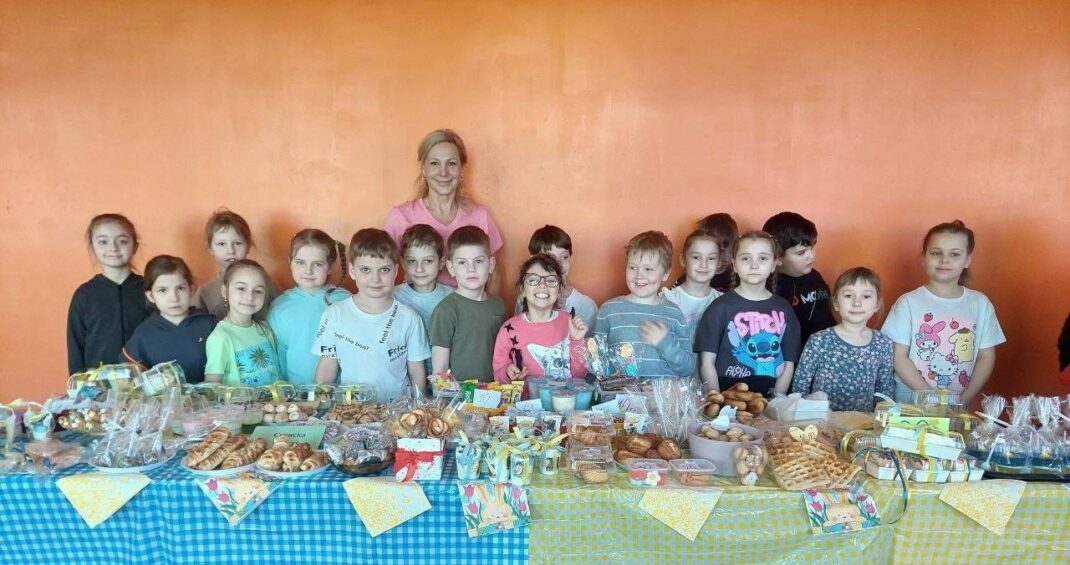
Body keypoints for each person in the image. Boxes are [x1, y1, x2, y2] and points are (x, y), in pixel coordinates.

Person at [881, 220, 1005, 405]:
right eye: (936, 253)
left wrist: (963, 400)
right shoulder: (908, 303)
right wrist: (931, 397)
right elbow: (898, 357)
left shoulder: (980, 304)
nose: (944, 260)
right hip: (910, 404)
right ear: (924, 258)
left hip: (957, 405)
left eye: (954, 254)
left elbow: (986, 357)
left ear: (967, 260)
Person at [313, 229, 430, 402]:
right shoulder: (334, 315)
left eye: (384, 270)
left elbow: (416, 369)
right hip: (351, 410)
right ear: (352, 271)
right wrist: (319, 403)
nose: (375, 279)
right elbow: (327, 367)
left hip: (397, 410)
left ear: (396, 271)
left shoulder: (409, 318)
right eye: (366, 269)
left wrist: (420, 405)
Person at [384, 129, 503, 290]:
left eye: (451, 163)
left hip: (467, 305)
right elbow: (382, 269)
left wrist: (490, 306)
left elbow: (494, 275)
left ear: (462, 171)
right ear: (424, 170)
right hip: (416, 305)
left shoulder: (480, 215)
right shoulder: (401, 216)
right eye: (434, 163)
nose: (443, 172)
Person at [695, 231, 801, 396]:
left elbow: (789, 363)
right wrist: (716, 399)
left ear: (774, 264)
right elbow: (706, 363)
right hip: (727, 396)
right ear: (734, 265)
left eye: (763, 258)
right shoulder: (719, 308)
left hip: (770, 396)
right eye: (745, 258)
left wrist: (777, 400)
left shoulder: (784, 309)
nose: (754, 265)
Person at [790, 267, 895, 411]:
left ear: (877, 304)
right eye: (848, 295)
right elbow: (799, 388)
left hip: (863, 423)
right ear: (835, 303)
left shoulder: (883, 343)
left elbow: (885, 392)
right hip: (821, 421)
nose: (857, 303)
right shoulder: (819, 341)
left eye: (866, 296)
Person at [594, 231, 694, 379]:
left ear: (665, 274)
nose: (639, 275)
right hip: (619, 393)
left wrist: (666, 344)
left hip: (662, 394)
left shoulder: (674, 314)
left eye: (648, 269)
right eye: (633, 267)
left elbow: (687, 369)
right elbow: (596, 363)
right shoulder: (608, 311)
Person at [67, 213, 151, 374]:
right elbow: (75, 346)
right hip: (100, 385)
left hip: (146, 381)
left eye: (122, 241)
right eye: (103, 242)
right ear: (92, 247)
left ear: (135, 246)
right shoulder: (84, 295)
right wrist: (78, 383)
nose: (113, 248)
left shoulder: (150, 290)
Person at [267, 229, 351, 385]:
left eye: (317, 264)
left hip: (339, 392)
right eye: (300, 262)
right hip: (296, 392)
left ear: (330, 266)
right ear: (290, 261)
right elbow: (279, 357)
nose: (308, 271)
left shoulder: (345, 300)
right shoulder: (279, 306)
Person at [493, 254, 588, 384]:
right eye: (533, 280)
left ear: (559, 290)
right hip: (525, 398)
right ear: (522, 290)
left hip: (565, 396)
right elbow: (498, 375)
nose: (542, 285)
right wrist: (507, 373)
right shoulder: (508, 329)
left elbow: (580, 375)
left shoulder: (570, 323)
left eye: (551, 281)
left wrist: (577, 341)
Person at [121, 255, 216, 383]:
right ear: (151, 296)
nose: (174, 298)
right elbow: (130, 376)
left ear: (192, 290)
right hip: (165, 397)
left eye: (181, 288)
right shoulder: (144, 334)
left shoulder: (209, 324)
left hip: (210, 396)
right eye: (163, 290)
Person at [429, 226, 507, 383]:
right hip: (458, 395)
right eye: (462, 262)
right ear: (451, 268)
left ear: (491, 265)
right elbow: (440, 369)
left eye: (478, 261)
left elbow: (504, 353)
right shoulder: (446, 310)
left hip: (495, 393)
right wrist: (442, 392)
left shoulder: (498, 305)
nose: (471, 269)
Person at [204, 259, 283, 386]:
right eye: (241, 288)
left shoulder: (265, 329)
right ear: (225, 291)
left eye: (258, 291)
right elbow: (212, 387)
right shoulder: (220, 338)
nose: (250, 297)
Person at [762, 212, 835, 346]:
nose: (811, 256)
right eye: (801, 253)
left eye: (812, 248)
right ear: (777, 257)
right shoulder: (768, 287)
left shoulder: (815, 277)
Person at [192, 208, 279, 320]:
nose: (231, 250)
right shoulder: (205, 292)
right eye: (222, 244)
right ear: (210, 248)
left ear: (248, 246)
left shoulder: (264, 281)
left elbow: (283, 309)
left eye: (237, 243)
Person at [512, 225, 597, 335]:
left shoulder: (586, 306)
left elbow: (589, 343)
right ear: (533, 261)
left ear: (571, 259)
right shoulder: (526, 298)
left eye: (564, 257)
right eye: (550, 258)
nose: (558, 265)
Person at [393, 224, 454, 374]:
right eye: (412, 261)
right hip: (407, 377)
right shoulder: (393, 297)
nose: (419, 269)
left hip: (445, 377)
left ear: (441, 263)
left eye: (428, 261)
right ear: (402, 262)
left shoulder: (452, 297)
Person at [661, 229, 722, 336]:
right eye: (696, 257)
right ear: (683, 260)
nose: (704, 264)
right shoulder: (669, 299)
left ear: (719, 263)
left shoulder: (723, 301)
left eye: (711, 258)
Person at [673, 213, 738, 293]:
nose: (722, 254)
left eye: (726, 247)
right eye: (696, 257)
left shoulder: (738, 279)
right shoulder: (687, 278)